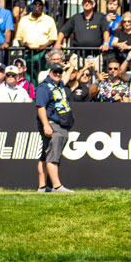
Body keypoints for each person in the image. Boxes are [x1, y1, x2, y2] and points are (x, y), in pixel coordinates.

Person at [33, 53, 74, 193]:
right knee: (52, 155)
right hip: (52, 124)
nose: (57, 74)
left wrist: (72, 67)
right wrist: (46, 125)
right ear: (49, 72)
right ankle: (57, 186)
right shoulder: (44, 87)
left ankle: (42, 186)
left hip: (59, 123)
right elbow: (40, 107)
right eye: (54, 71)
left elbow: (66, 78)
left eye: (59, 72)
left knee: (45, 155)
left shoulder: (59, 84)